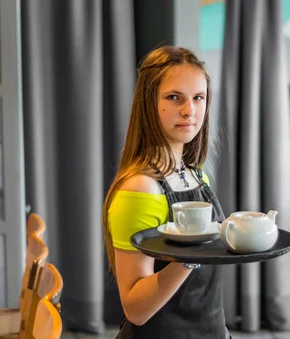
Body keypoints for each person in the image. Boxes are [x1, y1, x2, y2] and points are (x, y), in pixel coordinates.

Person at [102, 46, 230, 339]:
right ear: (149, 103)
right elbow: (135, 308)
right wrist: (189, 256)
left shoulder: (196, 175)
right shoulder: (140, 188)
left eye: (198, 98)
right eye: (174, 98)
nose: (190, 110)